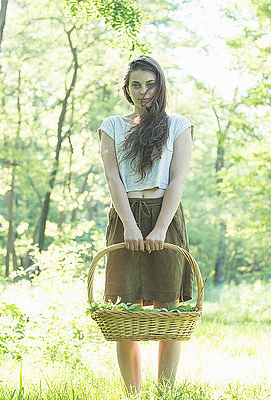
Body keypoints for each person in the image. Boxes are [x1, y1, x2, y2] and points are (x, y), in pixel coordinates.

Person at [97, 54, 194, 396]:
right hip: (125, 216)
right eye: (136, 85)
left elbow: (178, 180)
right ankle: (132, 394)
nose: (144, 91)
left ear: (160, 85)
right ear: (127, 89)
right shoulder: (112, 125)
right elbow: (113, 178)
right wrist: (130, 225)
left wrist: (160, 228)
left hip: (165, 215)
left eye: (150, 84)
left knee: (169, 311)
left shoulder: (179, 125)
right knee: (126, 313)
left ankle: (165, 393)